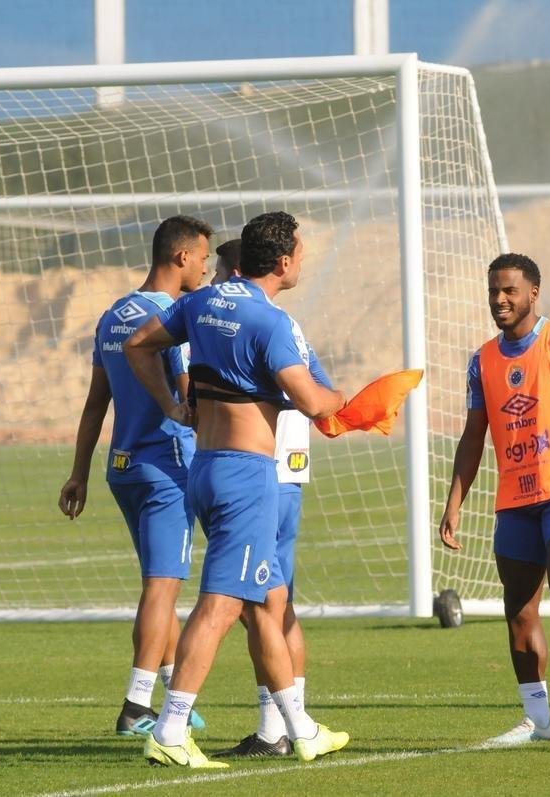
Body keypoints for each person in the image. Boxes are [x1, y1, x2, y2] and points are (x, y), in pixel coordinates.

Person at [125, 211, 347, 768]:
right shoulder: (271, 322)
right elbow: (314, 403)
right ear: (284, 262)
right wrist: (349, 399)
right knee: (221, 605)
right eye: (300, 254)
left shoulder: (204, 301)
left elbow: (138, 344)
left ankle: (300, 729)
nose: (302, 262)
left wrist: (172, 406)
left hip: (205, 467)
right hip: (247, 477)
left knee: (268, 602)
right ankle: (170, 728)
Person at [439, 253, 550, 745]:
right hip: (514, 499)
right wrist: (454, 502)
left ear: (533, 292)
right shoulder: (482, 360)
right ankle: (537, 719)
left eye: (509, 290)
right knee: (519, 609)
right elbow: (473, 436)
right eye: (494, 290)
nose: (500, 299)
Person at [58, 215, 212, 736]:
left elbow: (94, 403)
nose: (205, 268)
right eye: (203, 258)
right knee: (162, 587)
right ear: (182, 256)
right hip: (166, 464)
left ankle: (171, 695)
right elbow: (189, 394)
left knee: (157, 585)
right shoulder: (174, 318)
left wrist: (78, 473)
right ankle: (137, 704)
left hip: (121, 467)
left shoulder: (113, 316)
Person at [206, 239, 334, 759]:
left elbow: (313, 395)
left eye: (219, 272)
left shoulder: (239, 323)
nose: (213, 282)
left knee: (256, 603)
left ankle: (277, 729)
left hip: (261, 472)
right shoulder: (285, 325)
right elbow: (320, 388)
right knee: (272, 601)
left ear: (238, 272)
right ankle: (284, 724)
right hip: (283, 473)